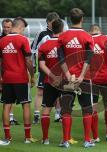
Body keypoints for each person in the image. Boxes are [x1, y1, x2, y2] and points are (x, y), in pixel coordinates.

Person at [57, 8, 95, 148]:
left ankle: (66, 141)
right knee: (87, 108)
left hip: (67, 78)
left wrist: (67, 75)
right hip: (83, 79)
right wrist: (82, 76)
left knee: (66, 109)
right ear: (82, 19)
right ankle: (86, 140)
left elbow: (60, 57)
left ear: (69, 19)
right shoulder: (87, 36)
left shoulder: (63, 36)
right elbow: (88, 59)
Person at [0, 17, 36, 146]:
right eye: (23, 29)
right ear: (20, 27)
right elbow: (28, 60)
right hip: (21, 78)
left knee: (6, 106)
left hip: (7, 78)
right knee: (26, 104)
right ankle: (27, 137)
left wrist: (1, 77)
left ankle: (7, 137)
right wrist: (32, 76)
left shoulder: (2, 40)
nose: (24, 32)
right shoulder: (23, 39)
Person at [31, 12, 61, 124]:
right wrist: (34, 65)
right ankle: (37, 114)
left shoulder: (61, 34)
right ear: (48, 23)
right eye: (53, 22)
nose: (55, 24)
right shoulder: (42, 33)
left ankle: (58, 114)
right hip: (44, 67)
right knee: (40, 91)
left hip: (58, 68)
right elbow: (33, 49)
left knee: (59, 91)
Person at [38, 19, 64, 145]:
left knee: (47, 109)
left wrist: (52, 76)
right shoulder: (64, 44)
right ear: (62, 29)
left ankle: (45, 139)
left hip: (49, 81)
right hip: (64, 81)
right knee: (66, 110)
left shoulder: (44, 45)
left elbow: (41, 65)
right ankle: (64, 139)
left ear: (51, 29)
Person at [0, 18, 19, 125]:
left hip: (10, 74)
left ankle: (10, 118)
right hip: (2, 72)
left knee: (8, 97)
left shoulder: (16, 39)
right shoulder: (0, 40)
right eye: (4, 27)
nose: (6, 29)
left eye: (8, 27)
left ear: (12, 27)